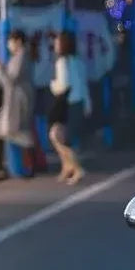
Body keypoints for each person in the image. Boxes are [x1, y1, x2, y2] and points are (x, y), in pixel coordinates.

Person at [0, 29, 37, 171]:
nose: (8, 45)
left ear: (18, 42)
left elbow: (10, 80)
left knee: (18, 133)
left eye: (10, 42)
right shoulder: (20, 57)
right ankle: (1, 164)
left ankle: (28, 166)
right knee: (2, 129)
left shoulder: (20, 57)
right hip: (15, 101)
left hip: (17, 102)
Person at [49, 30, 91, 184]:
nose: (55, 45)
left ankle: (77, 168)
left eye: (57, 42)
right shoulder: (77, 61)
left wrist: (53, 85)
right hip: (78, 102)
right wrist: (87, 103)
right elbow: (83, 84)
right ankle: (67, 167)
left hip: (67, 104)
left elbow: (63, 85)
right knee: (60, 136)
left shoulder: (62, 62)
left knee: (59, 137)